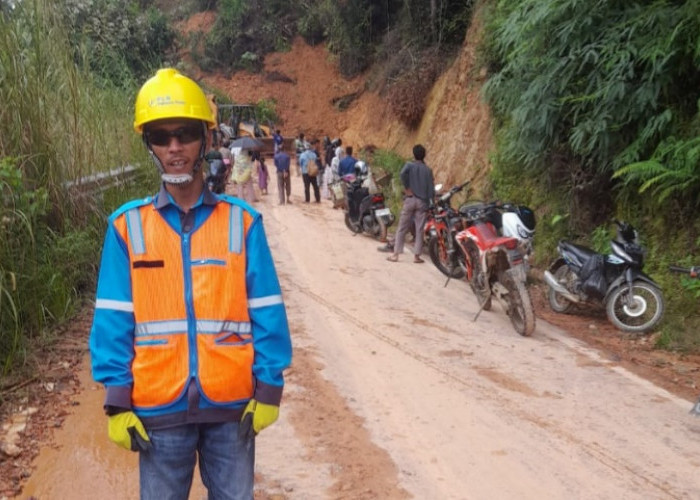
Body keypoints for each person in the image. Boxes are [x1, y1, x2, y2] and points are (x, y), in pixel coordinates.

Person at [89, 68, 292, 500]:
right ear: (150, 145)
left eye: (184, 133)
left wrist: (270, 387)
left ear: (206, 138)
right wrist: (116, 398)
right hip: (159, 412)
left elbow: (267, 309)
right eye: (162, 137)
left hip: (232, 411)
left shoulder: (243, 223)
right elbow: (114, 319)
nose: (175, 147)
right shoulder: (127, 228)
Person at [385, 144, 435, 263]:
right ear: (424, 155)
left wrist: (407, 187)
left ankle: (396, 254)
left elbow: (402, 174)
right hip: (422, 202)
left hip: (410, 198)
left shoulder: (409, 165)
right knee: (419, 229)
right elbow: (431, 188)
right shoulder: (428, 170)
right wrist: (430, 202)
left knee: (402, 227)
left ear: (414, 154)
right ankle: (417, 256)